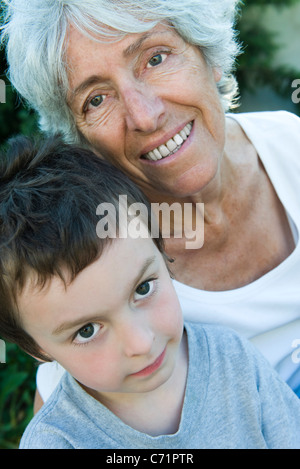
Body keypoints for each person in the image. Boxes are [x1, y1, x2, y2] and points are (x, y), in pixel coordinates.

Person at [1, 0, 300, 406]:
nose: (144, 115)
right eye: (96, 99)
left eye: (156, 58)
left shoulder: (291, 145)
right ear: (79, 137)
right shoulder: (101, 268)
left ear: (207, 53)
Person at [1, 135, 300, 450]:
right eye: (87, 330)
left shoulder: (232, 358)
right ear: (37, 349)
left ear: (162, 254)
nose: (141, 343)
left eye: (143, 289)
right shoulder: (58, 442)